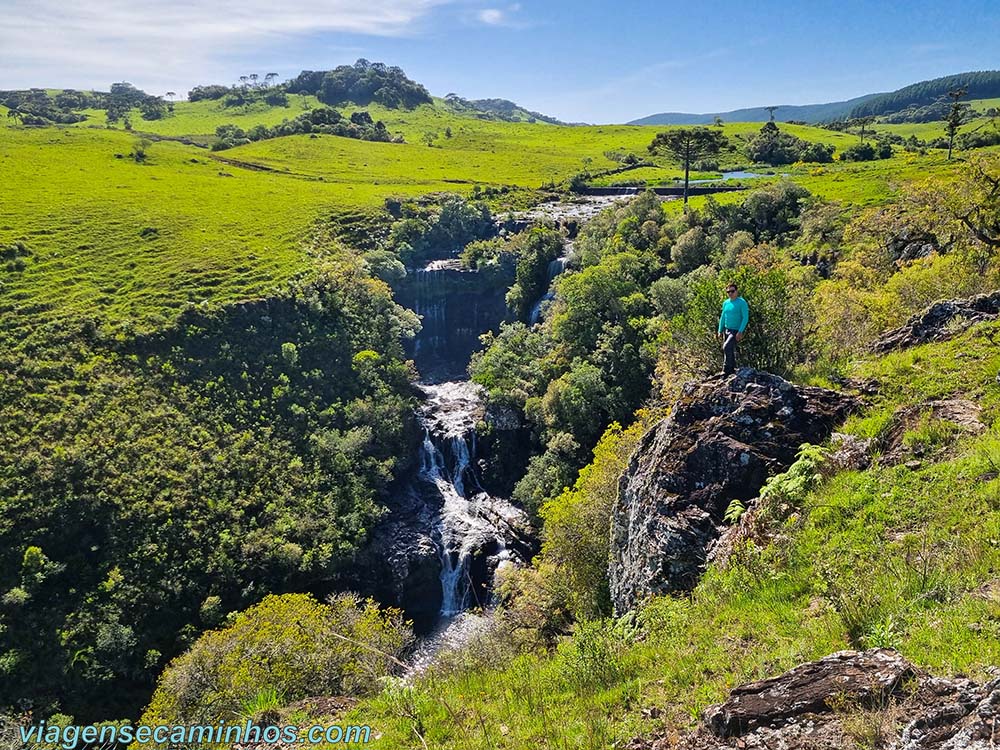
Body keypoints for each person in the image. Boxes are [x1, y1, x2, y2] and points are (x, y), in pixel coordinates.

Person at [717, 283, 749, 375]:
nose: (730, 293)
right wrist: (720, 330)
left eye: (732, 291)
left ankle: (726, 369)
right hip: (727, 330)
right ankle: (732, 369)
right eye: (728, 292)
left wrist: (740, 331)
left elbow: (745, 317)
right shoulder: (726, 303)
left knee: (726, 347)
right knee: (729, 349)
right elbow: (723, 316)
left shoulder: (741, 302)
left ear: (736, 291)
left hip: (735, 330)